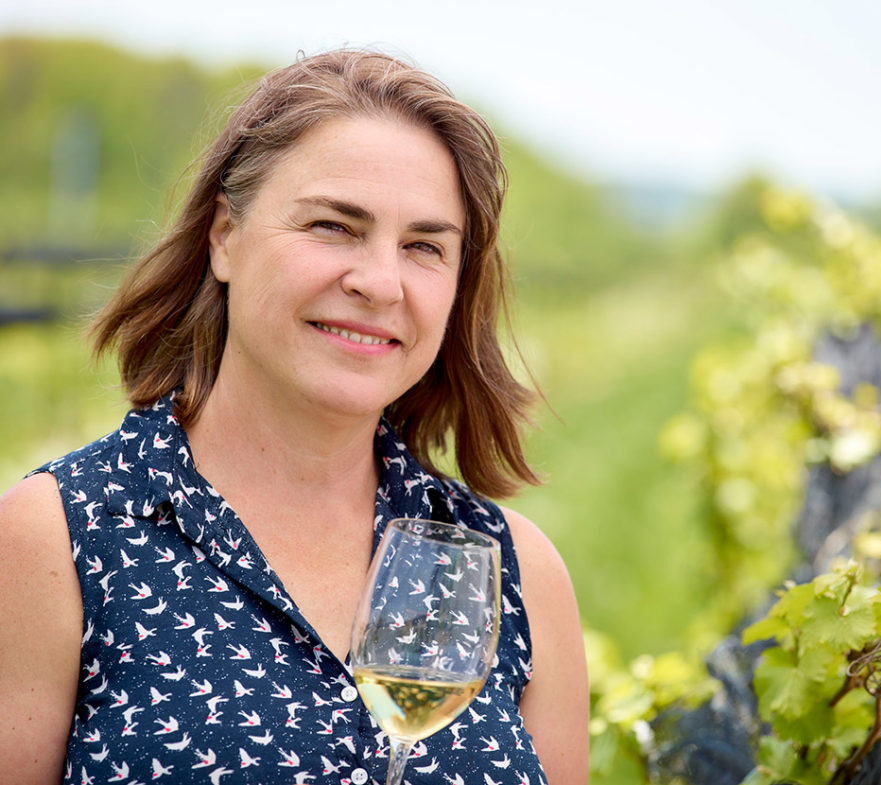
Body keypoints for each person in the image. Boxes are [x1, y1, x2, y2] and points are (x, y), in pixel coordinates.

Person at [0, 48, 589, 784]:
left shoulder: (515, 572)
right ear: (224, 237)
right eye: (334, 226)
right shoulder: (55, 540)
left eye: (424, 246)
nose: (381, 283)